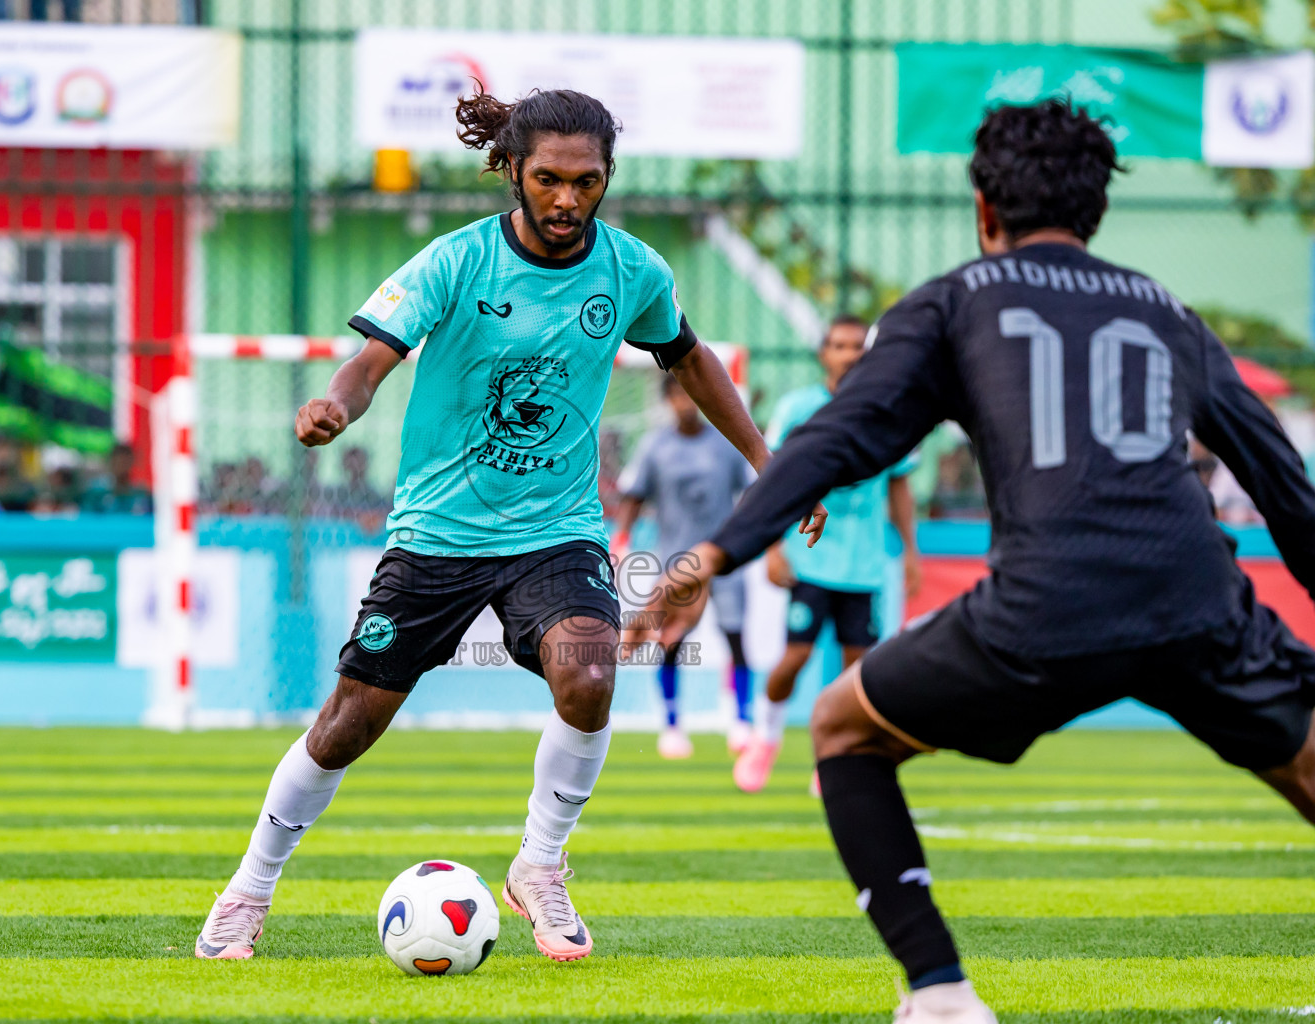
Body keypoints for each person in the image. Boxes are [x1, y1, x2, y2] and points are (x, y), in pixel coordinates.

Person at [626, 99, 1315, 1023]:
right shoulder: (1168, 312)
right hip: (1196, 598)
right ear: (1095, 212)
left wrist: (717, 550)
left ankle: (941, 993)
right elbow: (1283, 483)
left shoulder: (955, 302)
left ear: (984, 208)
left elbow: (841, 438)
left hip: (1046, 607)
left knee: (843, 732)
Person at [193, 87, 824, 964]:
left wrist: (770, 457)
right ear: (513, 173)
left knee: (590, 673)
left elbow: (688, 356)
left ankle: (541, 864)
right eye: (549, 179)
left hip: (556, 528)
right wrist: (335, 406)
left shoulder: (633, 270)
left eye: (587, 181)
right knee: (348, 723)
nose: (568, 200)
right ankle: (247, 890)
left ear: (607, 178)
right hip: (438, 533)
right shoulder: (455, 264)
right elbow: (370, 360)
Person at [735, 315, 921, 793]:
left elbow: (900, 484)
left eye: (857, 346)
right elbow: (775, 477)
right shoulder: (800, 408)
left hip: (864, 564)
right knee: (794, 658)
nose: (848, 354)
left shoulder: (888, 409)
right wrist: (773, 547)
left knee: (855, 672)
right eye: (839, 345)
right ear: (823, 353)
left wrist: (910, 554)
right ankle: (765, 738)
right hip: (810, 556)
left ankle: (834, 759)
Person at [612, 375, 756, 759]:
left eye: (690, 394)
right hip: (674, 562)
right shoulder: (654, 445)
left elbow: (752, 490)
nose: (685, 403)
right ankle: (672, 724)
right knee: (671, 641)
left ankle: (742, 720)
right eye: (677, 395)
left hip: (723, 561)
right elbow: (633, 496)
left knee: (736, 637)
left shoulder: (726, 441)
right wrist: (622, 540)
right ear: (667, 401)